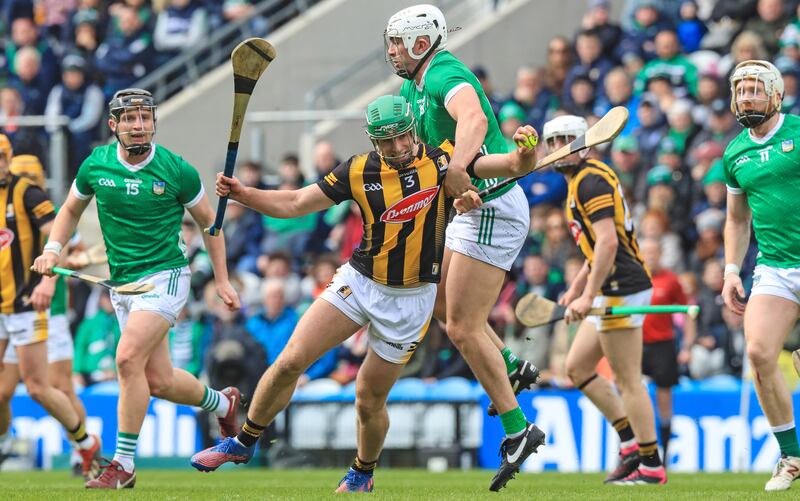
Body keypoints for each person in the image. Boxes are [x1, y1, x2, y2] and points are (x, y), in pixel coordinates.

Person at [189, 94, 543, 493]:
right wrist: (243, 193)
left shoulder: (445, 160)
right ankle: (243, 442)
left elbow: (513, 166)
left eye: (402, 138)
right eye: (385, 141)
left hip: (410, 303)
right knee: (290, 360)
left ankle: (362, 471)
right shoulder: (358, 170)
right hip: (358, 282)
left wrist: (525, 150)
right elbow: (295, 202)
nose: (396, 148)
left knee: (367, 399)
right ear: (373, 141)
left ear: (413, 131)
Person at [31, 88, 242, 489]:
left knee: (126, 359)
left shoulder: (176, 170)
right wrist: (53, 249)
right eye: (129, 119)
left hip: (166, 276)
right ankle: (223, 401)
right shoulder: (96, 164)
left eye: (145, 117)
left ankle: (123, 465)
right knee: (158, 380)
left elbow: (210, 224)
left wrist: (222, 279)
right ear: (114, 126)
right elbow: (71, 208)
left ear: (153, 122)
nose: (139, 125)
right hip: (123, 283)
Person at [383, 6, 543, 489]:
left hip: (493, 210)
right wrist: (454, 181)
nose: (390, 51)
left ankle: (519, 430)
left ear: (419, 42)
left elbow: (471, 117)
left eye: (397, 42)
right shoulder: (412, 86)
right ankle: (512, 367)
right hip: (472, 207)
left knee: (464, 327)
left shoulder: (444, 71)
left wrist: (459, 166)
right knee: (439, 304)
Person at [544, 115, 666, 485]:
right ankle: (630, 442)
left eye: (566, 140)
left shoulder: (590, 179)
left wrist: (589, 296)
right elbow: (594, 248)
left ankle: (650, 463)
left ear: (585, 142)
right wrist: (578, 287)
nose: (558, 148)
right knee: (577, 368)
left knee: (628, 379)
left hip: (622, 288)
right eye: (553, 142)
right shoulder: (581, 179)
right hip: (610, 285)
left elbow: (609, 243)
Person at [0, 134, 102, 478]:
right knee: (2, 392)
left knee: (48, 386)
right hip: (5, 306)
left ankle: (83, 447)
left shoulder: (33, 198)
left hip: (37, 308)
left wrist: (52, 276)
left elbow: (64, 247)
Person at [721, 59, 800, 492]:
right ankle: (791, 456)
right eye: (741, 90)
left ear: (776, 94)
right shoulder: (735, 152)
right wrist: (732, 269)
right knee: (758, 352)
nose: (747, 97)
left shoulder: (799, 133)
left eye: (755, 89)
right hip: (774, 267)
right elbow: (736, 220)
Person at [639, 237, 696, 463]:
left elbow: (688, 313)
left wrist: (688, 345)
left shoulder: (671, 281)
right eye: (646, 253)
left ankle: (665, 451)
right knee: (631, 393)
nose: (650, 257)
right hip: (635, 343)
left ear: (660, 254)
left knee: (664, 397)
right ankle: (631, 451)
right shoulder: (633, 279)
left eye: (654, 252)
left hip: (663, 345)